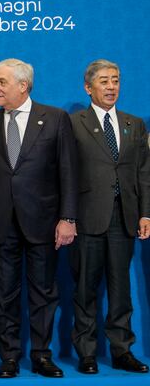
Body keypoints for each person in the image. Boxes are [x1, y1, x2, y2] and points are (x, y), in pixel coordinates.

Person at [0, 58, 77, 378]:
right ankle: (9, 357)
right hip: (0, 222)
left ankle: (42, 356)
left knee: (43, 292)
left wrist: (68, 218)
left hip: (44, 222)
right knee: (4, 293)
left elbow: (68, 173)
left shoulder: (56, 118)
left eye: (1, 82)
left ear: (23, 86)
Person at [70, 59, 150, 374]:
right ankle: (87, 353)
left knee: (121, 290)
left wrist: (146, 213)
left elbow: (144, 173)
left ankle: (122, 351)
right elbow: (65, 172)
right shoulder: (73, 122)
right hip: (87, 216)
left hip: (124, 217)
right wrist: (67, 216)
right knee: (85, 287)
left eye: (115, 80)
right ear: (88, 87)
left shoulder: (134, 124)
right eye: (104, 81)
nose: (111, 87)